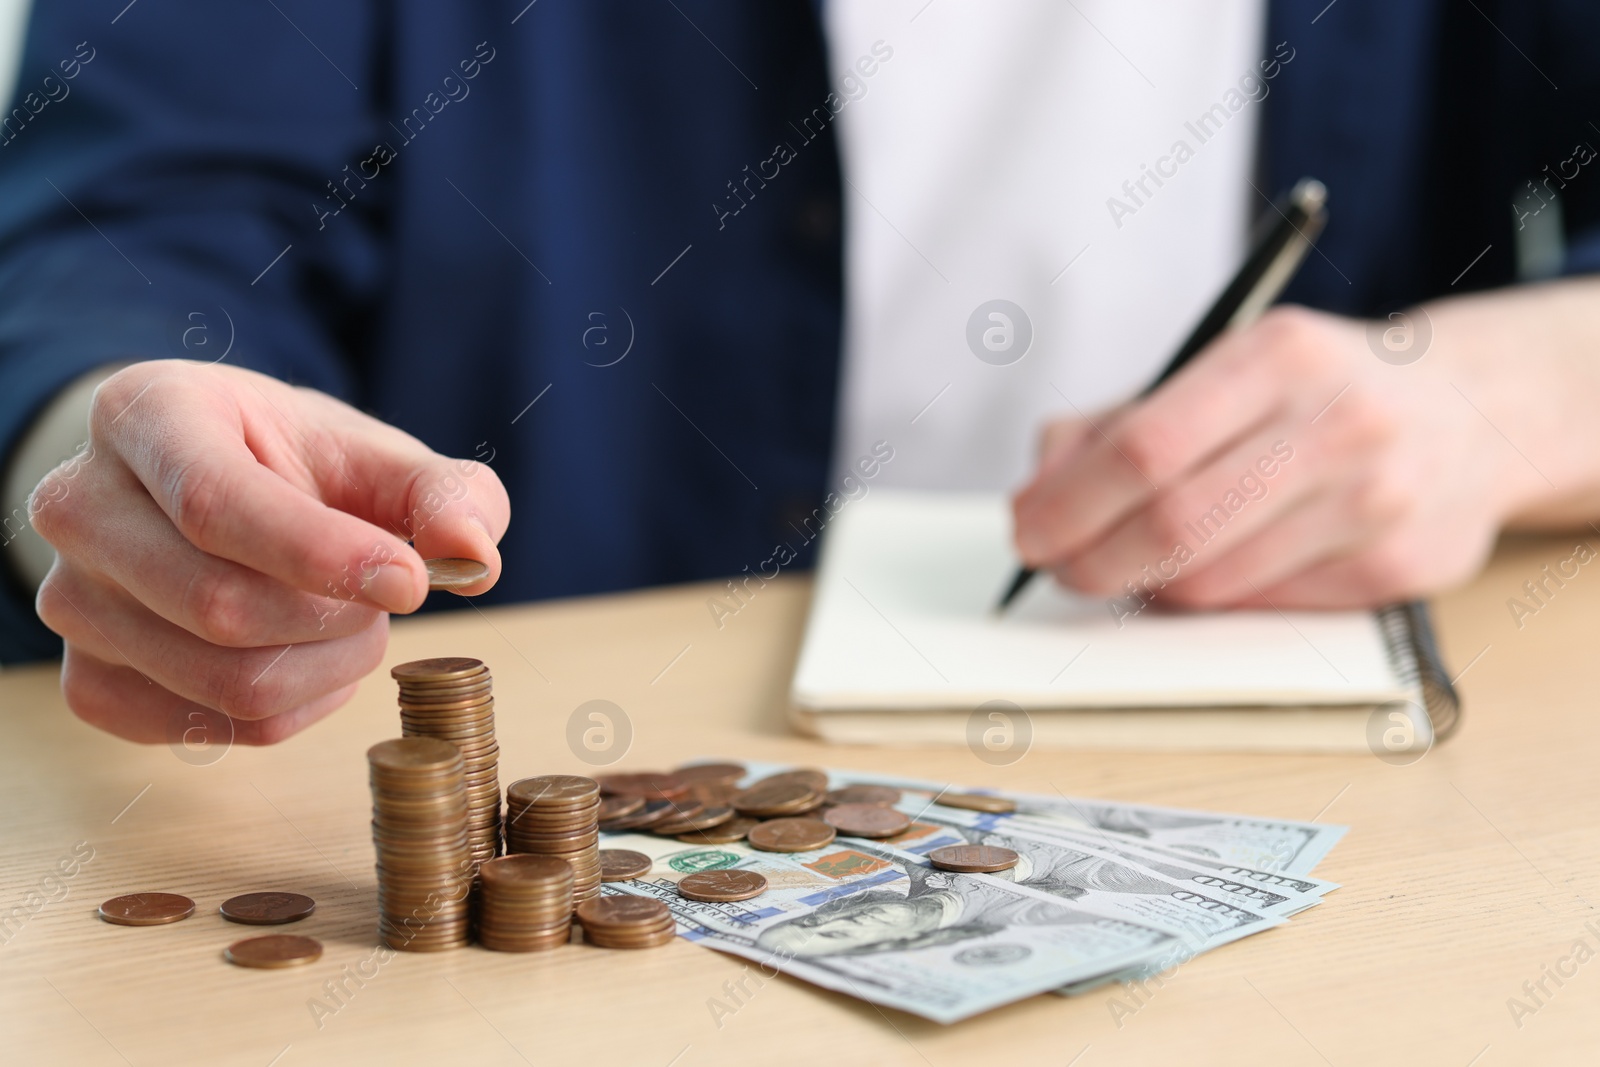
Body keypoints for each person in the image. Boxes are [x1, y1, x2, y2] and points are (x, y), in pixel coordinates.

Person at [1, 1, 1597, 746]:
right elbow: (130, 226)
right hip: (547, 772)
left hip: (1325, 795)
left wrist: (1497, 399)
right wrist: (124, 452)